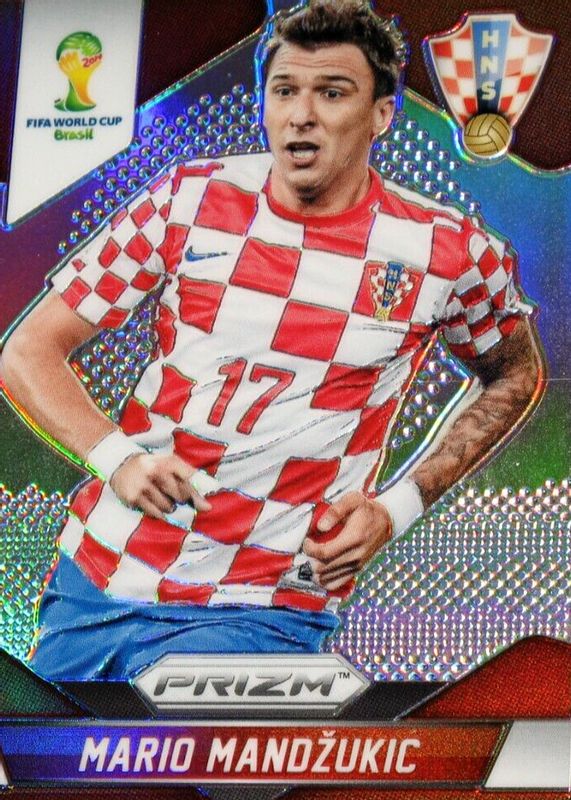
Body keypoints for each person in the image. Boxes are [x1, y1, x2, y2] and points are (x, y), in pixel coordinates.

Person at [1, 0, 542, 680]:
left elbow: (514, 375)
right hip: (100, 575)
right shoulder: (188, 199)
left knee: (185, 746)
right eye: (284, 90)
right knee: (56, 750)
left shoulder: (449, 251)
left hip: (264, 604)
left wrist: (397, 507)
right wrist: (117, 458)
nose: (301, 114)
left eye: (332, 92)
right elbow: (27, 350)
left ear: (381, 114)